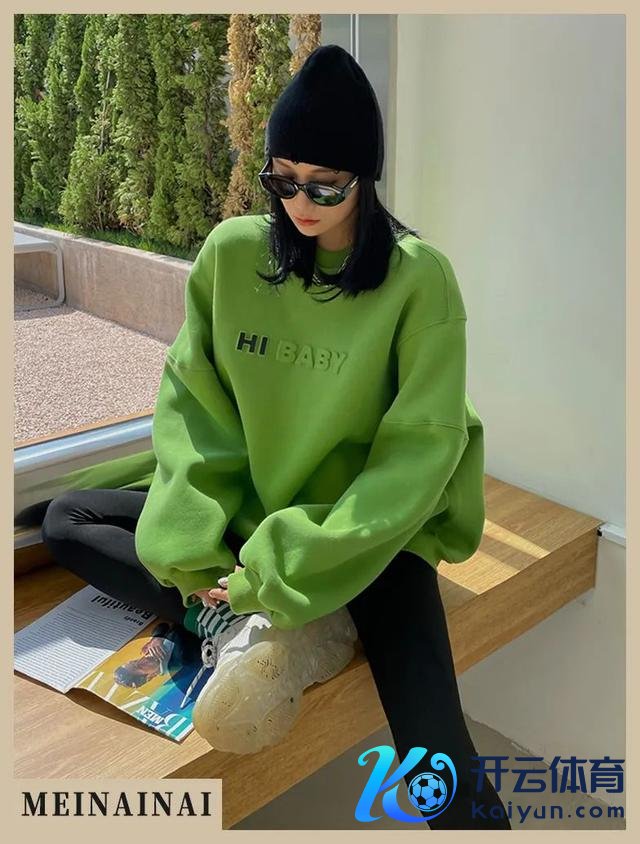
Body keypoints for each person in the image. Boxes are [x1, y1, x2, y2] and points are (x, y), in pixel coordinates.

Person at [37, 44, 511, 828]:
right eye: (282, 179)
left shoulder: (419, 279)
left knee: (434, 739)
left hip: (367, 533)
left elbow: (420, 451)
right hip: (256, 511)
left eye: (325, 184)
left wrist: (289, 566)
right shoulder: (232, 254)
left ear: (365, 177)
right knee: (66, 519)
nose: (301, 201)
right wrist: (197, 548)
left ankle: (301, 617)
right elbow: (195, 405)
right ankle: (250, 623)